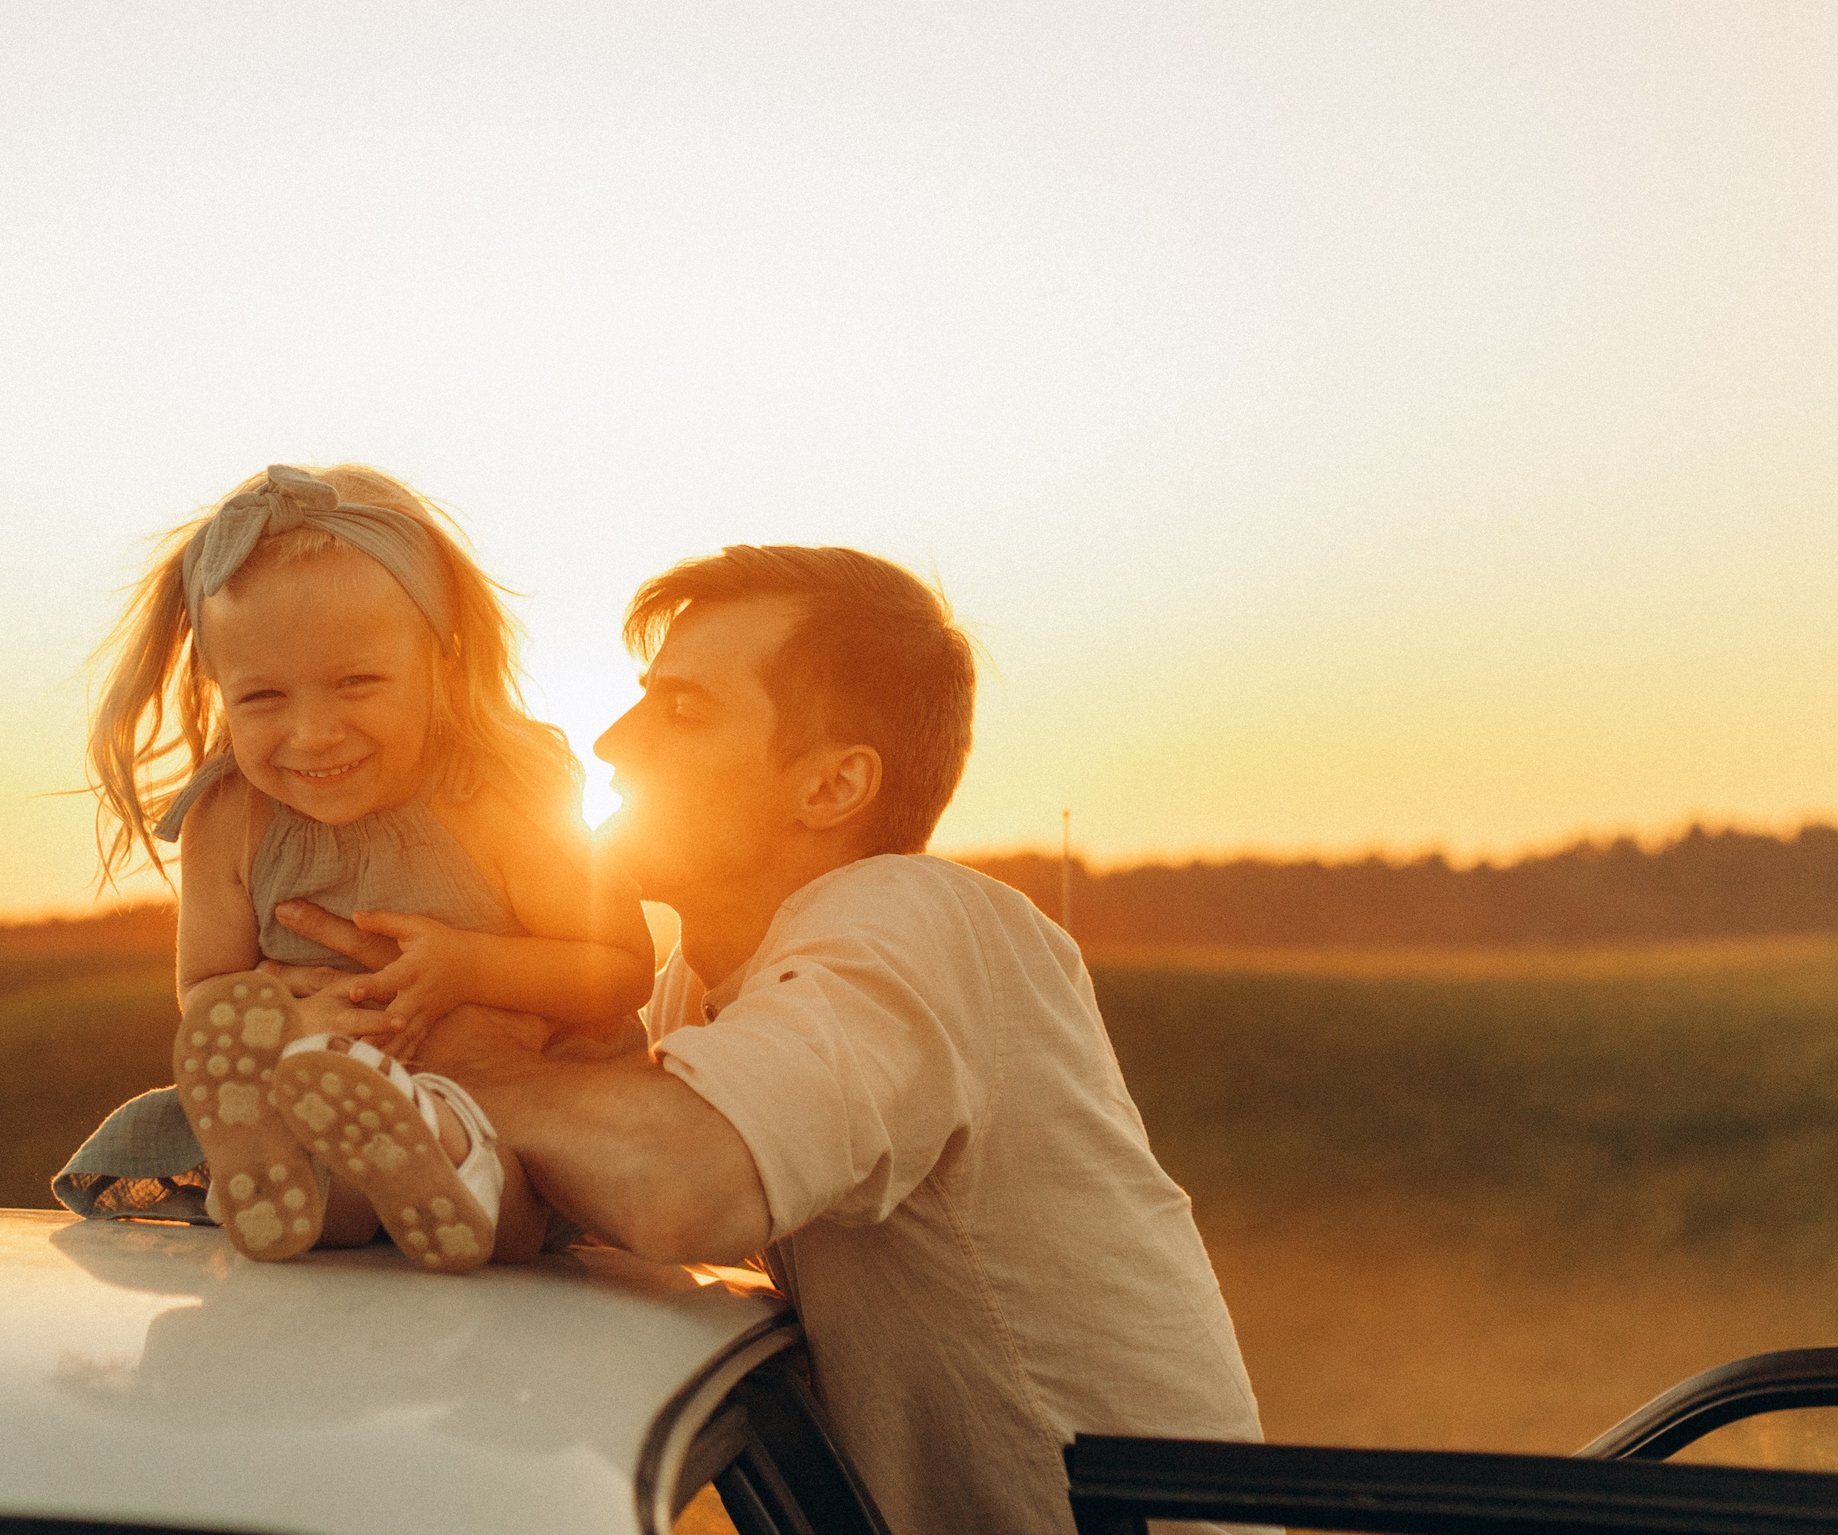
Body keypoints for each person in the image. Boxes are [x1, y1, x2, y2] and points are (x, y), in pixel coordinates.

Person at [277, 545, 1263, 1535]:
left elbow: (677, 1183)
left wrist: (436, 1064)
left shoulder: (912, 916)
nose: (613, 742)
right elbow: (533, 1188)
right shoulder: (696, 987)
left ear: (831, 787)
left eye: (682, 712)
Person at [52, 463, 653, 1272]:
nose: (313, 733)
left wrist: (468, 966)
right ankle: (289, 1184)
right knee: (320, 1171)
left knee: (502, 1175)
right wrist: (285, 1028)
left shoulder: (494, 797)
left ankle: (449, 1180)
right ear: (216, 686)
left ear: (442, 659)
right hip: (316, 1094)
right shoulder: (230, 818)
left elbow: (619, 969)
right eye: (262, 698)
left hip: (511, 1094)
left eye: (356, 683)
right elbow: (206, 990)